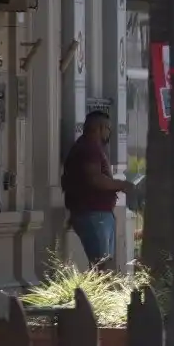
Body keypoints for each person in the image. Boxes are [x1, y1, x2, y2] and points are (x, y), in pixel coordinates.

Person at [61, 109, 133, 269]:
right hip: (94, 214)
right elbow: (95, 179)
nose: (109, 133)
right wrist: (122, 185)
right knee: (102, 265)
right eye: (108, 129)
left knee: (105, 264)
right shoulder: (89, 148)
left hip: (96, 213)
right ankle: (98, 293)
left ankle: (103, 292)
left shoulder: (91, 147)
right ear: (99, 128)